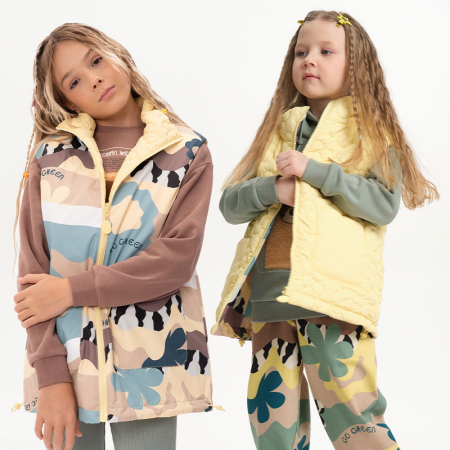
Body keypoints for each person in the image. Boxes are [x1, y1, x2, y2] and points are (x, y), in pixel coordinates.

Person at [211, 10, 439, 450]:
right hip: (271, 297)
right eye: (301, 52)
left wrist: (315, 173)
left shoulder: (370, 134)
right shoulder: (277, 130)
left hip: (332, 298)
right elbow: (229, 206)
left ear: (356, 66)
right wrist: (274, 189)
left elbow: (382, 206)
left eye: (326, 51)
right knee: (272, 422)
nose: (309, 60)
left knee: (353, 414)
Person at [12, 23, 215, 450]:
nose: (94, 79)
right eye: (74, 82)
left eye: (97, 60)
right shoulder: (50, 157)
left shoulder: (186, 151)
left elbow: (176, 260)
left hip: (154, 366)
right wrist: (50, 374)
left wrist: (71, 290)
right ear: (67, 101)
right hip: (68, 365)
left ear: (118, 54)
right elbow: (32, 275)